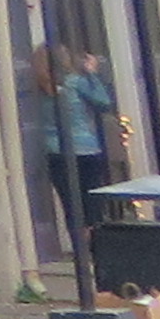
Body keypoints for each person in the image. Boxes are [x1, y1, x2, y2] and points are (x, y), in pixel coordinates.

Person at [34, 44, 119, 269]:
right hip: (84, 148)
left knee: (70, 204)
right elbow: (103, 102)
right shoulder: (75, 82)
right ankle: (94, 248)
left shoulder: (37, 87)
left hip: (55, 150)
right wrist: (92, 73)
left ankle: (79, 250)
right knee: (92, 203)